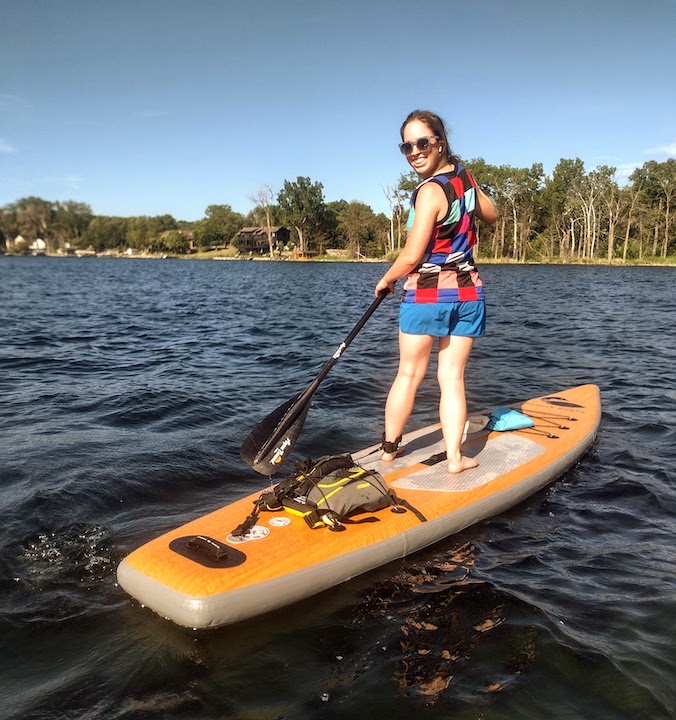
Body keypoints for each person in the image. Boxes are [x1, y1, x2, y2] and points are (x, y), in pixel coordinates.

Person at [375, 110, 498, 474]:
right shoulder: (465, 180)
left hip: (428, 294)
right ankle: (455, 459)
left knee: (409, 375)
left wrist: (387, 279)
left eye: (422, 143)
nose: (414, 151)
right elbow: (492, 214)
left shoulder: (429, 191)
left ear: (439, 143)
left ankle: (388, 452)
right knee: (452, 378)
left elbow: (412, 254)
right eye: (407, 146)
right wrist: (469, 183)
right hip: (468, 295)